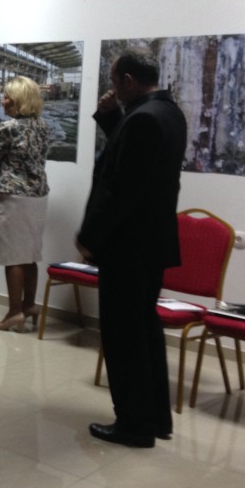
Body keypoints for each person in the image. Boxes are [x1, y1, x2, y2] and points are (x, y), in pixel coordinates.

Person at [76, 46, 187, 448]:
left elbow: (120, 189)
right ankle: (155, 418)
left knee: (123, 336)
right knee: (144, 330)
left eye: (113, 81)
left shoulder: (143, 119)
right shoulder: (168, 113)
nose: (112, 88)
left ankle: (133, 424)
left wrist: (90, 237)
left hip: (128, 246)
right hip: (151, 244)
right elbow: (133, 160)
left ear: (127, 80)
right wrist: (111, 118)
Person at [0, 75, 50, 332]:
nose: (3, 101)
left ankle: (14, 312)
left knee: (12, 257)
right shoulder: (42, 126)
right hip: (38, 195)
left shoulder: (8, 127)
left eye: (8, 97)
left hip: (13, 196)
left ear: (19, 100)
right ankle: (29, 305)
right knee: (30, 255)